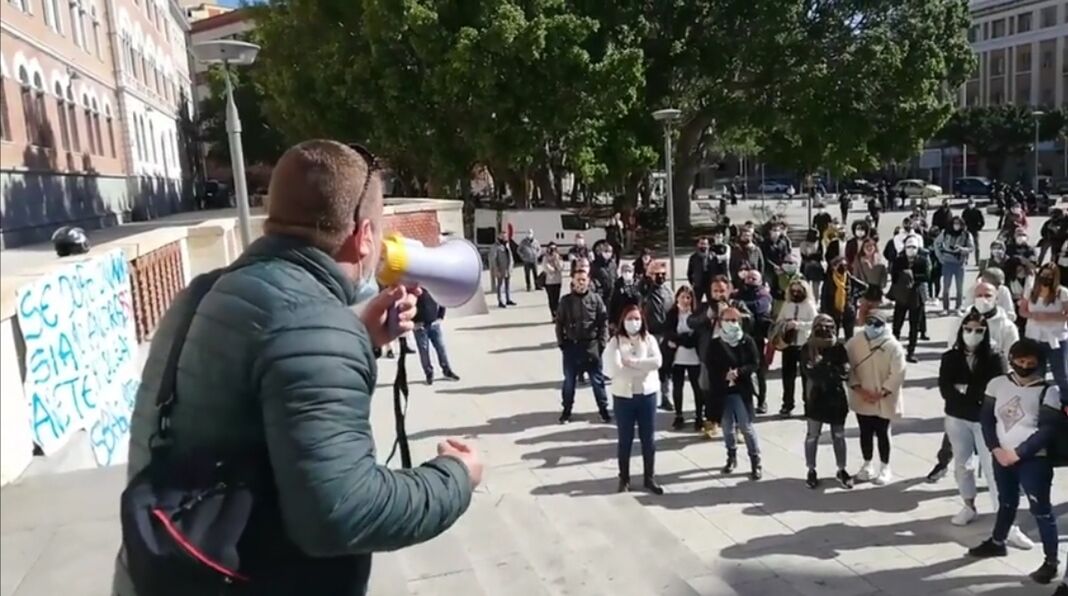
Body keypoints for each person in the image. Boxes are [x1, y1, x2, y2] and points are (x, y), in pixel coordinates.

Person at [113, 140, 481, 595]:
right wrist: (454, 476)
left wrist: (357, 335)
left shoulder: (202, 292)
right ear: (365, 234)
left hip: (158, 573)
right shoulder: (315, 326)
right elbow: (344, 513)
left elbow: (255, 388)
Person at [969, 339, 1062, 584]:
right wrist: (995, 449)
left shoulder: (1048, 392)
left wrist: (1019, 453)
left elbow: (1047, 430)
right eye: (1021, 361)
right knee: (1006, 501)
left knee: (1041, 510)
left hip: (1034, 460)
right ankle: (997, 541)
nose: (1025, 367)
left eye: (1031, 363)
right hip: (1002, 455)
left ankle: (1051, 562)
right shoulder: (997, 384)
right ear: (1011, 360)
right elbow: (987, 419)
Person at [938, 313, 1022, 534]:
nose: (972, 334)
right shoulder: (950, 357)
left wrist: (966, 391)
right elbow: (945, 388)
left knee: (993, 468)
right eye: (968, 329)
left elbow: (996, 388)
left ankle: (1004, 518)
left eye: (978, 330)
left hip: (984, 419)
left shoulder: (995, 357)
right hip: (957, 417)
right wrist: (969, 394)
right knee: (962, 464)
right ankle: (969, 506)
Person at [602, 305, 665, 495]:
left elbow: (656, 362)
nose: (634, 322)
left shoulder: (649, 339)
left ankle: (649, 477)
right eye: (629, 318)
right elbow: (612, 369)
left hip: (647, 395)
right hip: (624, 396)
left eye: (637, 318)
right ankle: (624, 478)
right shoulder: (615, 342)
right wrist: (640, 367)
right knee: (625, 439)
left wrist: (633, 363)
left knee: (648, 439)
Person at [846, 312, 907, 486]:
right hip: (862, 396)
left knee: (883, 432)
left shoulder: (893, 346)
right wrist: (860, 390)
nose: (872, 327)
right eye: (869, 322)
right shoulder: (854, 343)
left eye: (877, 324)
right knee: (865, 431)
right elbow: (848, 368)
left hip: (884, 398)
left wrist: (882, 392)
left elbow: (898, 372)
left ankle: (885, 467)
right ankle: (867, 464)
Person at [689, 275, 753, 438]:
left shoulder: (737, 304)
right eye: (715, 291)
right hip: (711, 354)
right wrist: (707, 316)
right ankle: (712, 422)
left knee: (737, 391)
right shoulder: (706, 307)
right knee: (710, 390)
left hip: (734, 354)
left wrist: (733, 314)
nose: (719, 294)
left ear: (729, 290)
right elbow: (691, 321)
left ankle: (739, 426)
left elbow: (750, 320)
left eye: (722, 290)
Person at [706, 307, 763, 480]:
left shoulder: (746, 341)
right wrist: (724, 375)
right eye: (727, 320)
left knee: (746, 426)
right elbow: (710, 366)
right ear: (720, 322)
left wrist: (739, 372)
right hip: (723, 391)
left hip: (741, 390)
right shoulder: (715, 344)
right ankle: (731, 456)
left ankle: (755, 460)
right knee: (727, 426)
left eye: (734, 320)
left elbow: (755, 363)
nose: (731, 323)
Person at [802, 314, 853, 489]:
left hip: (836, 398)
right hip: (815, 398)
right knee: (812, 436)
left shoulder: (839, 347)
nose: (824, 330)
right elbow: (811, 373)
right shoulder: (808, 348)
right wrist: (830, 369)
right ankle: (811, 470)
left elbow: (845, 373)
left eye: (829, 327)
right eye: (820, 327)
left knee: (838, 435)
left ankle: (841, 469)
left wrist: (823, 366)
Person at [555, 268, 612, 424]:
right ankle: (566, 411)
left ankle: (603, 410)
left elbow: (603, 322)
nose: (581, 283)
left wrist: (602, 344)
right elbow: (559, 323)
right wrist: (562, 343)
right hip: (572, 347)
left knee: (597, 381)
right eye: (578, 280)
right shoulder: (566, 301)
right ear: (573, 281)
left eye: (584, 279)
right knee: (569, 382)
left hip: (591, 346)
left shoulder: (596, 299)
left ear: (589, 281)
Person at [1020, 263, 1068, 401]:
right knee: (1036, 373)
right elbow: (1022, 311)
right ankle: (1036, 401)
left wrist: (1048, 316)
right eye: (1043, 274)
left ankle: (1065, 401)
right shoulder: (1031, 291)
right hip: (1034, 337)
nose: (1046, 278)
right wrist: (1033, 315)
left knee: (1061, 374)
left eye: (1050, 276)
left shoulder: (1062, 292)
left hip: (1056, 339)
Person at [776, 279, 818, 417]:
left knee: (807, 377)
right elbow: (779, 320)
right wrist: (786, 324)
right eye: (793, 291)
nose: (795, 293)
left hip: (804, 344)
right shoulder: (787, 304)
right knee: (788, 376)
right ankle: (787, 404)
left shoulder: (809, 305)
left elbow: (815, 323)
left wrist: (799, 325)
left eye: (799, 291)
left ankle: (808, 405)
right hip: (789, 344)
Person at [664, 285, 703, 431]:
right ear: (677, 299)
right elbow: (669, 332)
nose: (686, 300)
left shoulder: (696, 314)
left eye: (688, 297)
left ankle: (699, 415)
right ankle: (679, 415)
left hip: (694, 355)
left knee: (697, 387)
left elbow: (697, 335)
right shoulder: (673, 314)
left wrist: (682, 339)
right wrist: (681, 339)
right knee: (677, 387)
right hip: (677, 356)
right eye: (682, 297)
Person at [735, 269, 773, 412]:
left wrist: (741, 305)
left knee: (759, 371)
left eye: (754, 278)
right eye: (748, 278)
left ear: (760, 281)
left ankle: (762, 401)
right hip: (741, 337)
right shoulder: (739, 293)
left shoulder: (764, 295)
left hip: (757, 338)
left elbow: (758, 308)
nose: (750, 280)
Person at [641, 260, 675, 410]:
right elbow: (640, 289)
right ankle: (646, 398)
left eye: (663, 274)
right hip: (651, 334)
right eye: (657, 274)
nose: (660, 277)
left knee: (666, 368)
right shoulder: (647, 289)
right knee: (648, 368)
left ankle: (666, 397)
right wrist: (647, 274)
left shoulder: (668, 291)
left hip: (666, 334)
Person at [890, 235, 930, 362]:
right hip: (902, 295)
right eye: (908, 247)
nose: (911, 250)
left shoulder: (923, 260)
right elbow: (894, 275)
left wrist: (912, 277)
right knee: (897, 324)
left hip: (916, 295)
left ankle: (911, 351)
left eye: (914, 247)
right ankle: (893, 350)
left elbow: (927, 276)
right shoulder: (899, 260)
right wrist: (903, 277)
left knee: (914, 325)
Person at [413, 291, 460, 385]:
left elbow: (442, 298)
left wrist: (441, 316)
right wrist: (413, 323)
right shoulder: (412, 288)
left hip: (434, 323)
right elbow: (404, 305)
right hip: (419, 326)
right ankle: (428, 373)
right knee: (424, 350)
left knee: (441, 347)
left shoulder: (432, 286)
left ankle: (447, 370)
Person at [934, 216, 975, 314]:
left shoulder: (966, 235)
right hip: (947, 262)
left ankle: (958, 307)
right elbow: (936, 243)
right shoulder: (945, 233)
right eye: (954, 223)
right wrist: (940, 257)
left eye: (958, 224)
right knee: (946, 287)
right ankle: (945, 308)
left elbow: (971, 248)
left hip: (959, 263)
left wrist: (961, 249)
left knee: (959, 287)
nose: (956, 225)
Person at [820, 256, 862, 340]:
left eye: (845, 265)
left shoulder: (849, 278)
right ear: (833, 267)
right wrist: (824, 314)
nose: (842, 267)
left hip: (848, 312)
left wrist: (854, 298)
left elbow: (864, 287)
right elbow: (823, 299)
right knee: (833, 337)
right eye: (840, 265)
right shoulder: (829, 280)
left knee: (849, 338)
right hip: (833, 312)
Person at [853, 237, 888, 324]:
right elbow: (855, 275)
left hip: (876, 291)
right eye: (867, 246)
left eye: (871, 246)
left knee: (874, 315)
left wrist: (882, 285)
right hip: (864, 290)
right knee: (862, 315)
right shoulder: (859, 259)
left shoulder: (880, 259)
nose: (869, 248)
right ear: (863, 248)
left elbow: (884, 274)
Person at [770, 254, 805, 319]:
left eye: (790, 263)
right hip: (779, 309)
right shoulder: (777, 276)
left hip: (796, 310)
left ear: (796, 264)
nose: (787, 264)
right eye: (785, 262)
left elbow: (803, 293)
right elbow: (773, 291)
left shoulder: (801, 277)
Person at [609, 262, 643, 327]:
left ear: (633, 272)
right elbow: (613, 304)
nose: (627, 273)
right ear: (621, 273)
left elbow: (641, 300)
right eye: (625, 271)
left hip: (636, 317)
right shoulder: (617, 286)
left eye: (629, 271)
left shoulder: (638, 284)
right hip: (620, 318)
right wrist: (612, 321)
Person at [489, 231, 516, 308]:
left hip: (508, 269)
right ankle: (500, 301)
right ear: (499, 237)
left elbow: (510, 256)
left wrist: (511, 267)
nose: (505, 238)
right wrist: (496, 270)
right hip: (501, 269)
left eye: (505, 236)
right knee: (500, 285)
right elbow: (493, 259)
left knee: (507, 285)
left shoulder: (507, 245)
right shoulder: (495, 247)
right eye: (503, 237)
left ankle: (508, 299)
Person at [589, 240, 619, 306]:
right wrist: (598, 288)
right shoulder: (596, 264)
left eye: (610, 251)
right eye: (606, 251)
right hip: (601, 295)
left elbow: (615, 276)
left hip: (612, 294)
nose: (608, 254)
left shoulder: (613, 264)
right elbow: (592, 278)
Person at [800, 228, 825, 299]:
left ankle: (815, 302)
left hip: (816, 267)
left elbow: (821, 256)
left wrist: (811, 256)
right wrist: (813, 256)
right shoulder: (804, 244)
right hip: (806, 266)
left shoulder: (819, 243)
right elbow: (804, 256)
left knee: (816, 287)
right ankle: (806, 300)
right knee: (805, 286)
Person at [542, 242, 564, 320]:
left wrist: (556, 259)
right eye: (551, 248)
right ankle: (553, 315)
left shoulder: (558, 257)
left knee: (557, 299)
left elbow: (560, 268)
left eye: (554, 249)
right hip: (549, 282)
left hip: (557, 281)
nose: (552, 250)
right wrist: (552, 268)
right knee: (551, 299)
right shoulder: (545, 258)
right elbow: (546, 268)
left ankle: (557, 314)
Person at [687, 237, 712, 305]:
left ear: (708, 245)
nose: (703, 246)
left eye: (705, 244)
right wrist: (692, 282)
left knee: (712, 304)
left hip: (710, 284)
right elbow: (689, 272)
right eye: (701, 244)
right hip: (698, 284)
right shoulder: (693, 257)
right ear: (698, 245)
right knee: (696, 304)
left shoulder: (713, 257)